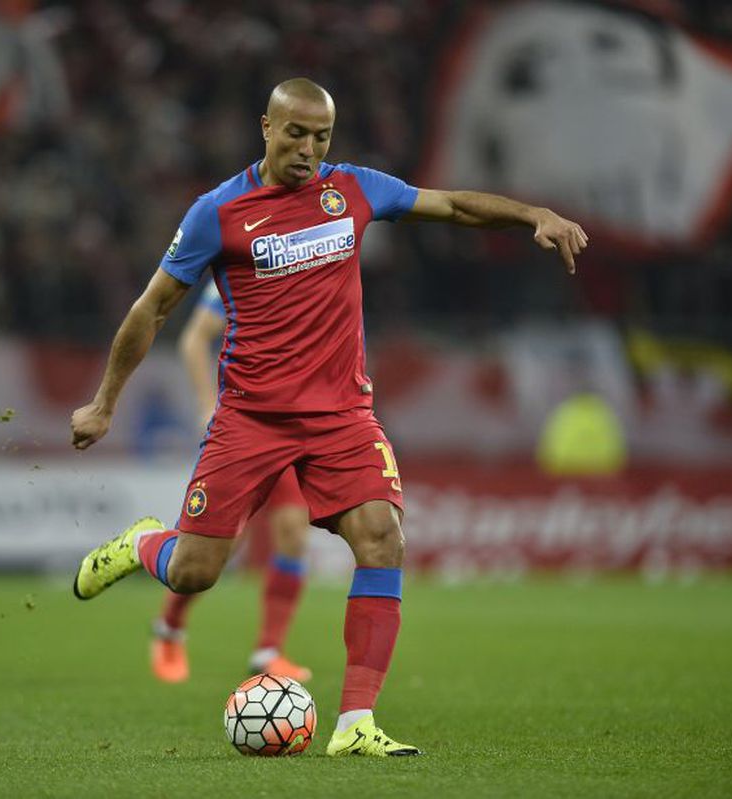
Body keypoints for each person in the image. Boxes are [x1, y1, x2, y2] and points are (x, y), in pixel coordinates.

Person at [71, 77, 587, 757]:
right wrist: (105, 401)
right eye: (296, 134)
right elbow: (153, 309)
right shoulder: (218, 212)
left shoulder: (354, 189)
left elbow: (454, 206)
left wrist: (531, 215)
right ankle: (142, 542)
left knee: (383, 537)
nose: (309, 149)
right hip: (250, 418)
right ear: (266, 127)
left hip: (343, 415)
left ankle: (355, 724)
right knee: (195, 570)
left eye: (321, 138)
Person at [151, 282, 312, 684]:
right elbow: (193, 340)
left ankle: (268, 651)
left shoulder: (314, 260)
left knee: (293, 530)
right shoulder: (241, 267)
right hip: (246, 426)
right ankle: (169, 626)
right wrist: (208, 404)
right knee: (221, 547)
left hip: (296, 424)